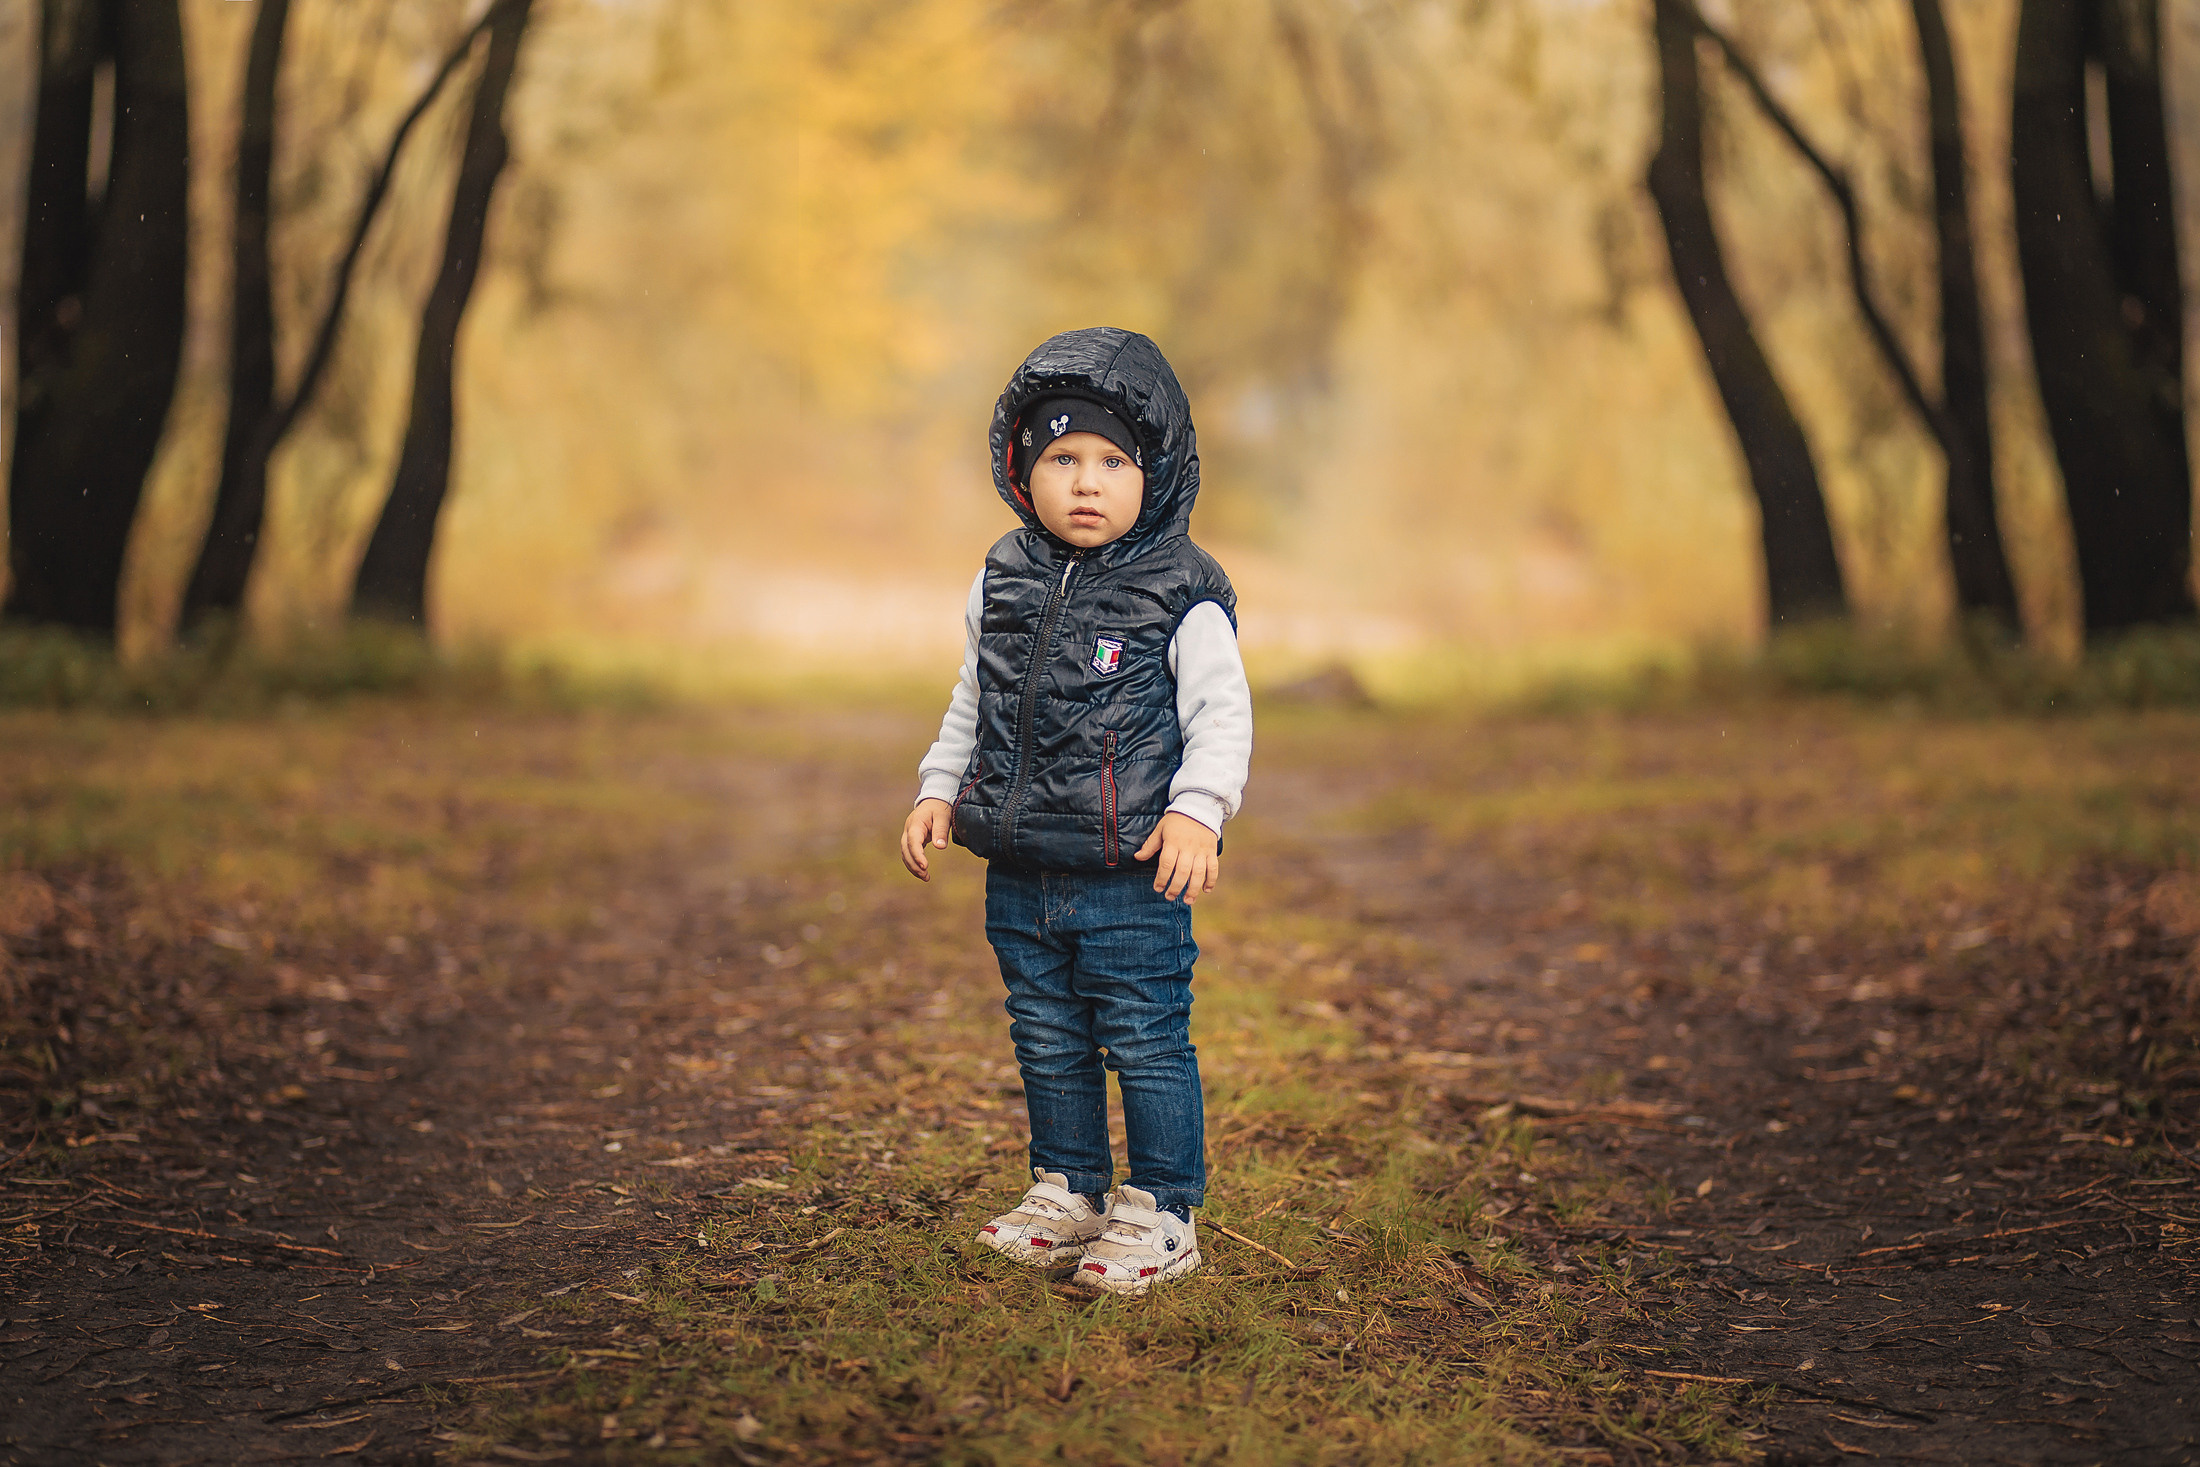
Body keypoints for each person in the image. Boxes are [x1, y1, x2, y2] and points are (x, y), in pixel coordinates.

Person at [899, 327, 1252, 1296]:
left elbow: (1220, 715)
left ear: (1157, 473)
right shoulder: (1003, 576)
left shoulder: (1182, 592)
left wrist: (1197, 810)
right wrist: (939, 788)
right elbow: (974, 696)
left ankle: (1163, 1208)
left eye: (1110, 462)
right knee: (1046, 1033)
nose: (1085, 482)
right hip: (1020, 866)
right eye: (1061, 458)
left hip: (1129, 871)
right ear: (1023, 469)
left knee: (1141, 1033)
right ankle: (1068, 1187)